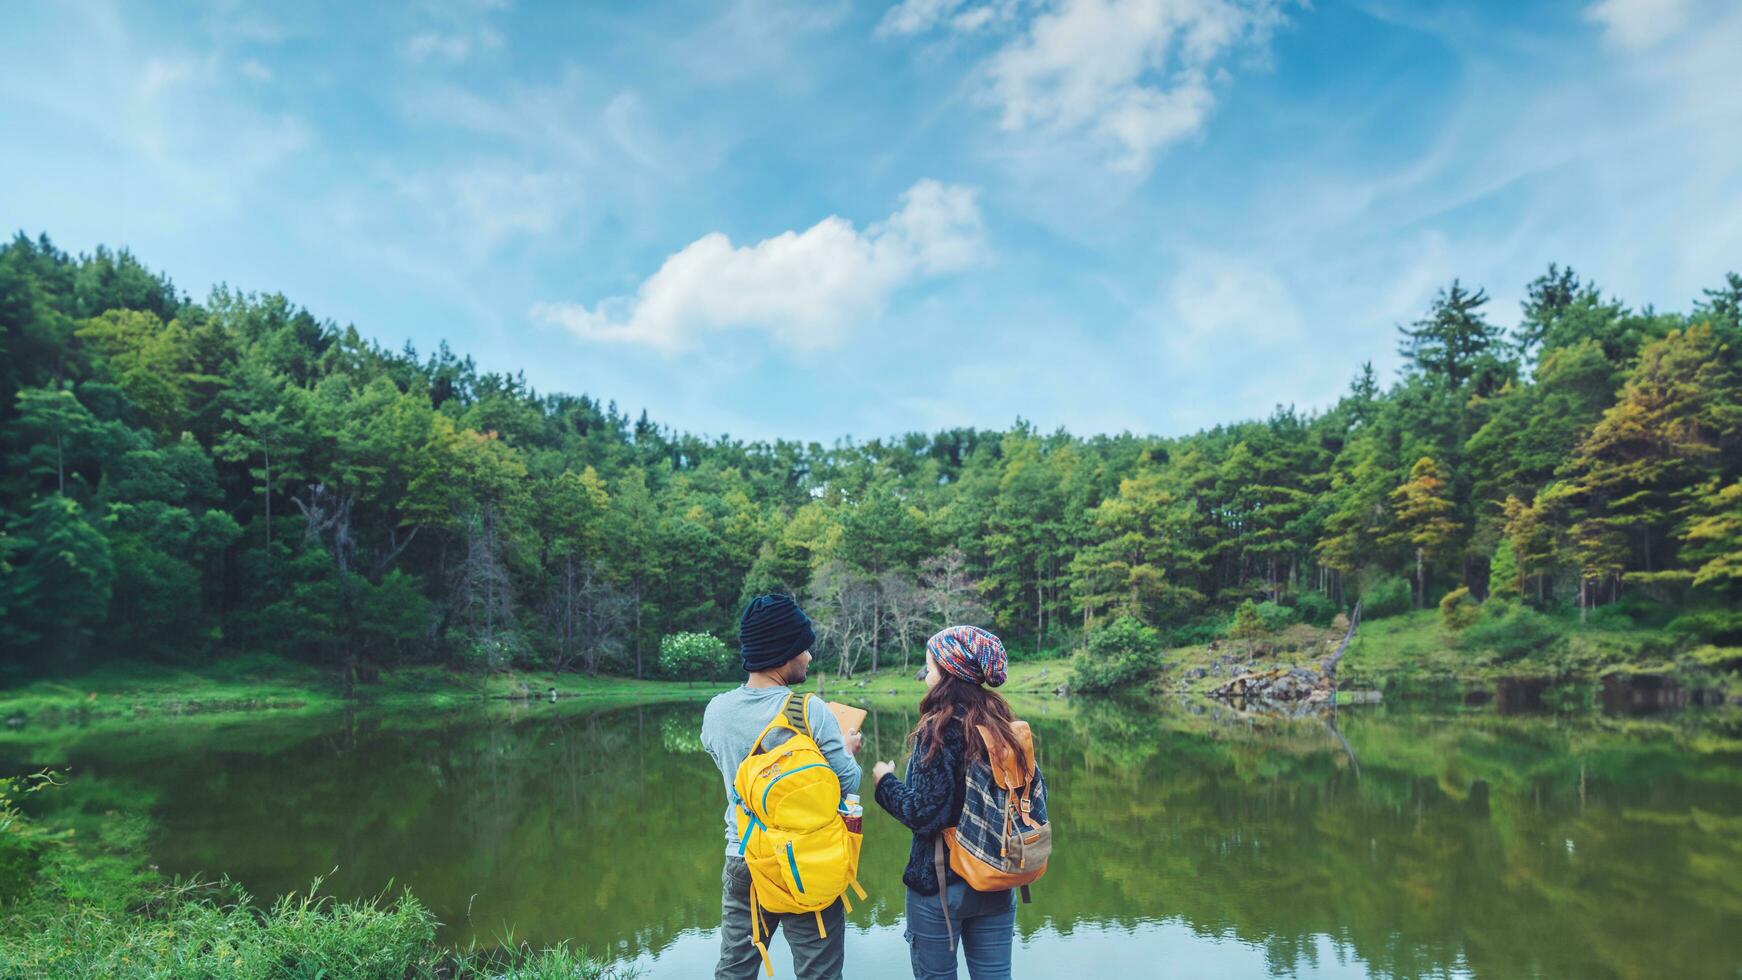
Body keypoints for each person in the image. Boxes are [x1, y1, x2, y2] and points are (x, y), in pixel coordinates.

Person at [702, 594, 863, 980]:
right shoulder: (809, 710)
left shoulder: (717, 711)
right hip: (806, 859)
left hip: (744, 856)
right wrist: (847, 748)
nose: (808, 656)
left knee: (735, 970)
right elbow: (848, 784)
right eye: (803, 648)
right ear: (785, 651)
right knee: (818, 973)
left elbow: (727, 766)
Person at [871, 625, 1036, 980]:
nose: (924, 673)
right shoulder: (1005, 726)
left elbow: (924, 813)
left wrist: (884, 781)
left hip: (940, 883)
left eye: (929, 665)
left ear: (949, 671)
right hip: (997, 876)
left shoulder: (940, 729)